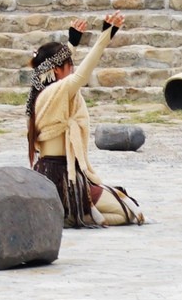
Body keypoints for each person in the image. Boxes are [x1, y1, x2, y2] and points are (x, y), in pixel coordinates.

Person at [26, 15, 144, 227]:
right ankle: (76, 216)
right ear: (56, 69)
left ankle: (76, 214)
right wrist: (105, 37)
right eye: (68, 65)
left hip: (45, 173)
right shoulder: (56, 91)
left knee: (119, 202)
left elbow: (47, 68)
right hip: (63, 178)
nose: (71, 69)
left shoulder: (38, 91)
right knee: (130, 212)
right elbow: (80, 76)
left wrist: (72, 43)